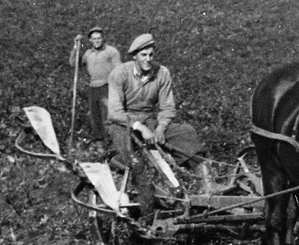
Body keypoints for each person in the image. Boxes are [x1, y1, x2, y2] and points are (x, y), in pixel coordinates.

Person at [106, 33, 210, 186]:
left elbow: (167, 107)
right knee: (129, 151)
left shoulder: (162, 73)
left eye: (151, 55)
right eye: (143, 55)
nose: (148, 59)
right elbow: (115, 112)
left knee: (186, 132)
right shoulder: (120, 74)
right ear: (134, 56)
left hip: (149, 121)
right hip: (122, 124)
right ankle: (120, 174)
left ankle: (207, 183)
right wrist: (140, 127)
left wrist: (161, 128)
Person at [69, 26, 121, 147]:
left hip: (108, 87)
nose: (97, 41)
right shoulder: (88, 53)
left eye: (99, 38)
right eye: (94, 39)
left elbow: (119, 71)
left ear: (103, 38)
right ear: (90, 40)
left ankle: (113, 144)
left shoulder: (111, 51)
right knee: (95, 116)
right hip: (93, 88)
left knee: (108, 116)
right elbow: (74, 64)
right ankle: (100, 145)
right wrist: (76, 47)